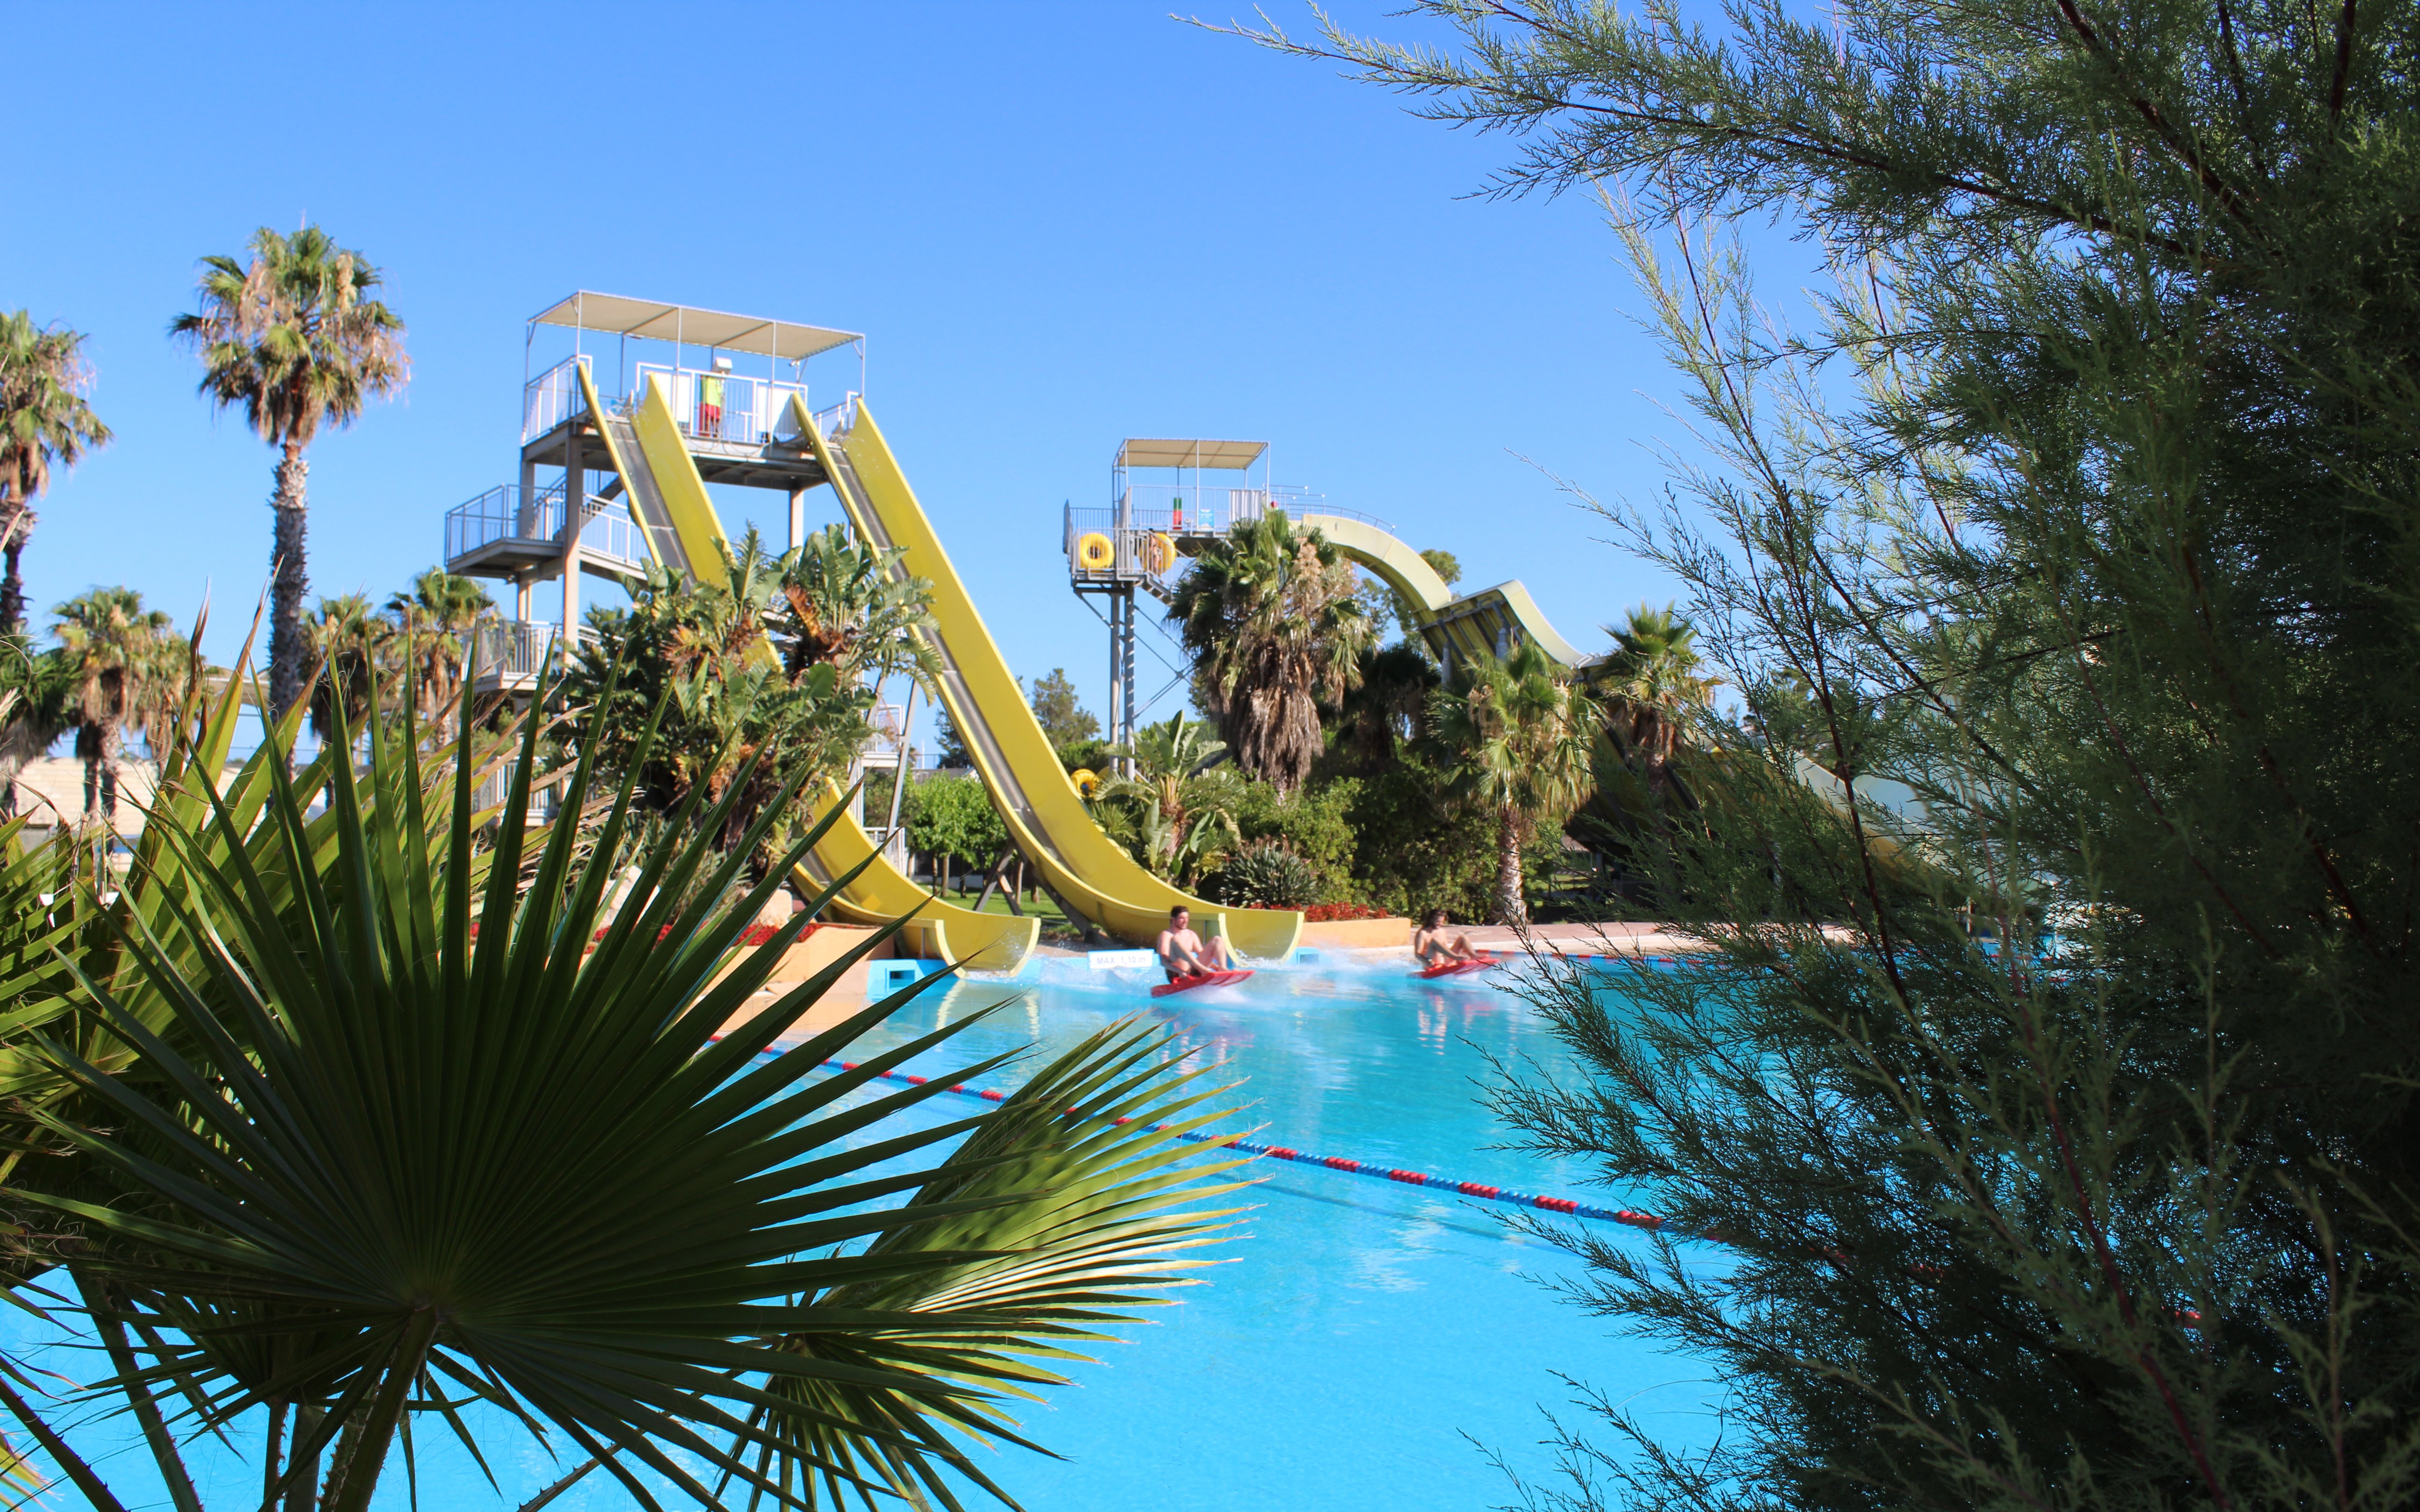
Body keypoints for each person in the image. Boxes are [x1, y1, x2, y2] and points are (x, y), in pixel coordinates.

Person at [1156, 905, 1236, 981]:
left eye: (1187, 918)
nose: (1186, 921)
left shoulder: (1191, 934)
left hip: (1195, 970)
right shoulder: (1166, 935)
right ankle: (1203, 969)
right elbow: (1164, 961)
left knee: (1217, 939)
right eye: (1182, 918)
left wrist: (1214, 966)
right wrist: (1179, 971)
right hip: (1179, 973)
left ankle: (1222, 968)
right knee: (1175, 940)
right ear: (1173, 920)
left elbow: (1202, 954)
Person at [1412, 908, 1484, 967]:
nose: (1441, 924)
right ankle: (1456, 957)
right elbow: (1418, 954)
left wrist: (1450, 962)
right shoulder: (1422, 933)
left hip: (1444, 960)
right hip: (1431, 963)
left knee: (1463, 938)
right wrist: (1427, 962)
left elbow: (1445, 949)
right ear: (1431, 920)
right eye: (1438, 922)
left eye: (1442, 922)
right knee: (1434, 941)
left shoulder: (1442, 931)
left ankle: (1473, 956)